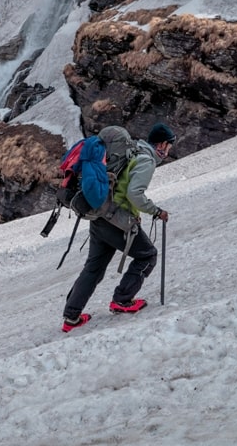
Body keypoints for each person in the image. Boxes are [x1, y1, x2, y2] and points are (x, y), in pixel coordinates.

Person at [61, 122, 175, 333]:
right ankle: (122, 300)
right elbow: (134, 194)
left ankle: (71, 317)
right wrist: (156, 211)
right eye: (169, 146)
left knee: (93, 268)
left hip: (100, 214)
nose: (169, 151)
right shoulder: (145, 160)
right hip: (117, 220)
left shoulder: (131, 150)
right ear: (162, 144)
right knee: (147, 255)